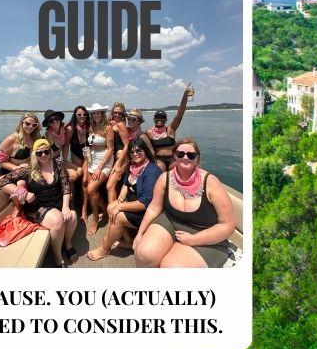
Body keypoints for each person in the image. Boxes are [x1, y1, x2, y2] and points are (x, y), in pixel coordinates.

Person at [132, 137, 235, 268]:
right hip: (170, 221)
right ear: (174, 156)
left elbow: (227, 225)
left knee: (172, 267)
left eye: (191, 155)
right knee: (144, 253)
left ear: (197, 158)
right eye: (180, 154)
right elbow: (153, 208)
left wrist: (193, 240)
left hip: (205, 234)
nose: (185, 157)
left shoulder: (211, 183)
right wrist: (140, 233)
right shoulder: (165, 178)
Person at [0, 138, 77, 267]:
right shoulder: (28, 169)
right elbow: (1, 182)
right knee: (57, 220)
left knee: (72, 217)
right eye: (39, 153)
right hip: (38, 205)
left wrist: (66, 206)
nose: (43, 155)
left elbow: (66, 187)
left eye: (46, 151)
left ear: (50, 152)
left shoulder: (59, 164)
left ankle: (67, 243)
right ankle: (57, 256)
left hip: (57, 199)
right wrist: (23, 193)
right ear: (35, 154)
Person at [86, 137, 161, 262]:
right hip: (133, 204)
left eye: (138, 151)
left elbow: (144, 203)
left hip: (145, 212)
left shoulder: (151, 172)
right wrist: (120, 201)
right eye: (132, 152)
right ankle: (128, 241)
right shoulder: (133, 166)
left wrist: (120, 207)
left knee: (119, 215)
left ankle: (105, 249)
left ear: (145, 151)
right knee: (111, 206)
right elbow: (126, 184)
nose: (135, 154)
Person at [82, 103, 114, 236]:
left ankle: (95, 219)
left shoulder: (107, 127)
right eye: (94, 113)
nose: (96, 115)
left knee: (90, 189)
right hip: (92, 159)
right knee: (91, 190)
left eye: (98, 113)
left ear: (102, 114)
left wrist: (100, 168)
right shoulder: (91, 126)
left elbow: (111, 149)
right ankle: (105, 210)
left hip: (104, 161)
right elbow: (91, 144)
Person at [147, 83, 195, 170]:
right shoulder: (149, 132)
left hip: (173, 158)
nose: (160, 119)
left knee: (178, 170)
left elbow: (179, 115)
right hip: (159, 160)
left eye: (162, 118)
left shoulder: (170, 129)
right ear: (154, 119)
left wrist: (184, 97)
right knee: (159, 169)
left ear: (166, 120)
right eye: (157, 118)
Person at [104, 102, 133, 214]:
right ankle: (113, 209)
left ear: (123, 115)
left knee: (110, 186)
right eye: (115, 112)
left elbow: (127, 145)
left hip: (121, 158)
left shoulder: (120, 125)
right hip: (114, 158)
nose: (117, 115)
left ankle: (112, 213)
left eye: (120, 113)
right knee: (114, 187)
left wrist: (119, 162)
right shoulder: (112, 124)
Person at [0, 112, 41, 178]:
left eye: (34, 125)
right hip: (9, 174)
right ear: (21, 123)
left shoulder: (35, 139)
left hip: (28, 173)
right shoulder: (11, 139)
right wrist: (16, 168)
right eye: (27, 123)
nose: (30, 126)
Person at [65, 105, 90, 174]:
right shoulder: (70, 129)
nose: (82, 116)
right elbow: (66, 145)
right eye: (79, 114)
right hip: (76, 153)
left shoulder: (89, 126)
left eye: (84, 114)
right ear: (75, 115)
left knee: (85, 176)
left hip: (87, 154)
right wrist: (65, 160)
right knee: (78, 174)